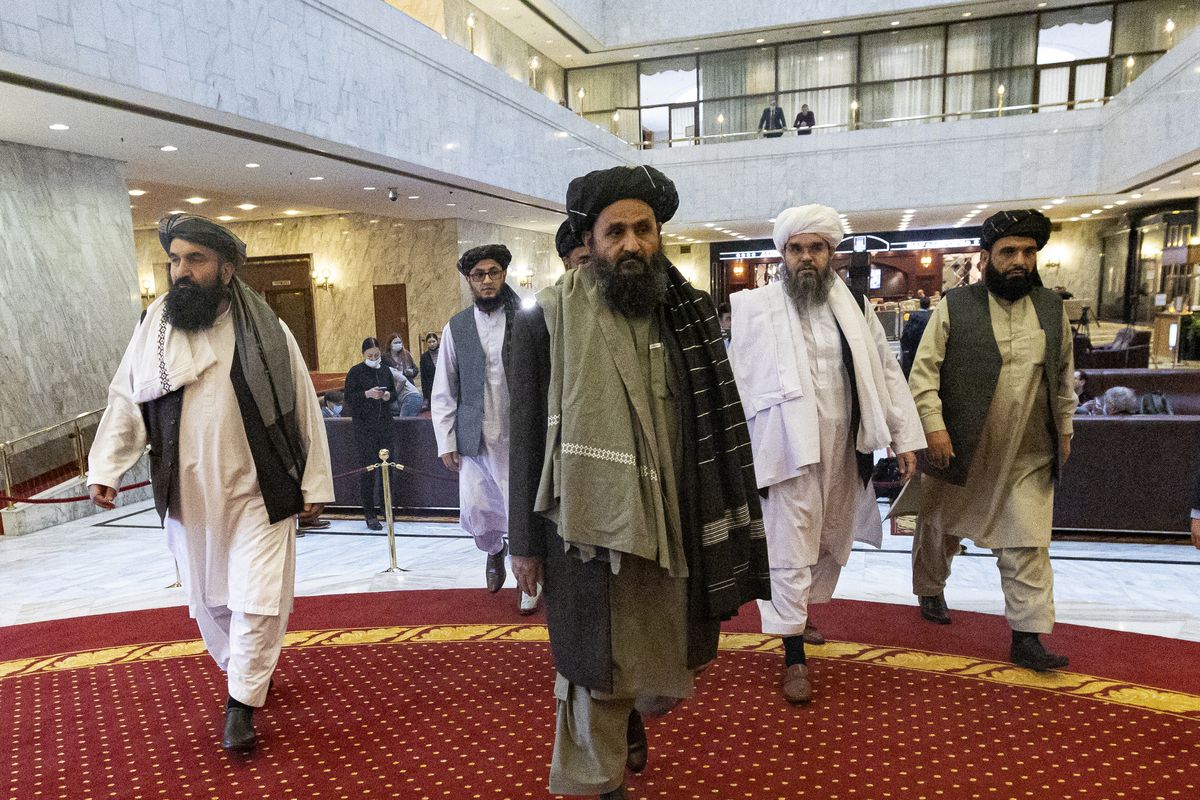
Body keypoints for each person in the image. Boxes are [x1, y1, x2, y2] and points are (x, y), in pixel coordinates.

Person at [508, 165, 771, 799]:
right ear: (590, 241)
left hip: (677, 521)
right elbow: (523, 440)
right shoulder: (545, 320)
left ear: (659, 235)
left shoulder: (689, 314)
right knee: (594, 668)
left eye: (643, 229)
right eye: (615, 232)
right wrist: (524, 544)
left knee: (662, 658)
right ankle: (600, 782)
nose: (631, 244)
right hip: (584, 533)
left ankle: (631, 719)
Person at [87, 214, 333, 752]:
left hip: (260, 491)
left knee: (258, 597)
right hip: (189, 494)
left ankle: (240, 705)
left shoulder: (266, 329)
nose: (181, 271)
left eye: (195, 259)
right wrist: (107, 466)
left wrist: (314, 483)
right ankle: (244, 669)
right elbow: (127, 397)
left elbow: (302, 408)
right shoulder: (154, 329)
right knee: (209, 601)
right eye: (175, 259)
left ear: (226, 268)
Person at [729, 204, 925, 705]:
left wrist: (903, 437)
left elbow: (884, 372)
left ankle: (801, 615)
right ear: (782, 255)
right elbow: (736, 381)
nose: (806, 258)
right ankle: (792, 652)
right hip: (784, 448)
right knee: (789, 543)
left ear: (832, 253)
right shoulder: (755, 309)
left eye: (815, 248)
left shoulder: (854, 307)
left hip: (844, 447)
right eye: (795, 249)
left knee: (828, 537)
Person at [909, 209, 1076, 672]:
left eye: (1028, 252)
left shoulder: (1052, 309)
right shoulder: (955, 306)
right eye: (1008, 252)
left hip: (1028, 451)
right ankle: (930, 588)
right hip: (962, 445)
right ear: (986, 259)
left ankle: (1027, 635)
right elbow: (924, 373)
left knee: (1028, 541)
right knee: (940, 528)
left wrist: (1065, 429)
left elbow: (1064, 376)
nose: (1019, 261)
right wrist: (933, 427)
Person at [432, 244, 540, 614]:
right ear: (469, 280)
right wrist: (446, 440)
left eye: (494, 272)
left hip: (520, 435)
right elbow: (444, 387)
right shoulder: (457, 327)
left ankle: (529, 583)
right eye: (479, 275)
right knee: (478, 510)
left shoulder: (527, 318)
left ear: (504, 274)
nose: (487, 280)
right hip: (474, 436)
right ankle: (494, 550)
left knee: (522, 511)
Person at [345, 337, 397, 531]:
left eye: (376, 355)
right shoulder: (355, 372)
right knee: (368, 471)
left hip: (385, 426)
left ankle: (386, 507)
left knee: (388, 469)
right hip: (364, 429)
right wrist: (367, 394)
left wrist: (387, 395)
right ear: (363, 354)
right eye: (370, 356)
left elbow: (394, 393)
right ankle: (369, 513)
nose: (374, 358)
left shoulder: (385, 370)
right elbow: (349, 398)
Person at [899, 296, 932, 378]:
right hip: (926, 348)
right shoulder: (931, 317)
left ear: (919, 304)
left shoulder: (912, 315)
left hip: (913, 347)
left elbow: (907, 332)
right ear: (929, 305)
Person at [420, 332, 440, 407]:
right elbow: (423, 378)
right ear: (426, 343)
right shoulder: (424, 357)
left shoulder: (443, 353)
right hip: (431, 388)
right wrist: (425, 396)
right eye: (429, 342)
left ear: (437, 341)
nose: (432, 344)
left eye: (434, 341)